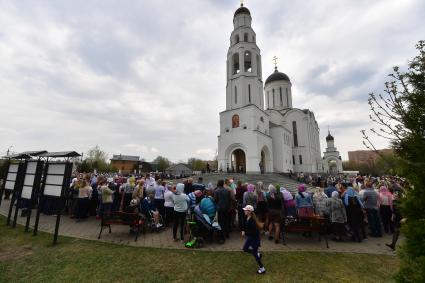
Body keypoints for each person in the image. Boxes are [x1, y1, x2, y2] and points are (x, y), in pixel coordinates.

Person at [241, 205, 266, 275]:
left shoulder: (252, 221)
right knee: (245, 248)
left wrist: (245, 233)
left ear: (249, 212)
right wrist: (243, 230)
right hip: (251, 237)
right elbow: (245, 226)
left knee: (255, 254)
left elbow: (253, 232)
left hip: (254, 239)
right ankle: (258, 254)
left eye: (245, 210)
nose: (244, 211)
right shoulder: (247, 217)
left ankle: (262, 268)